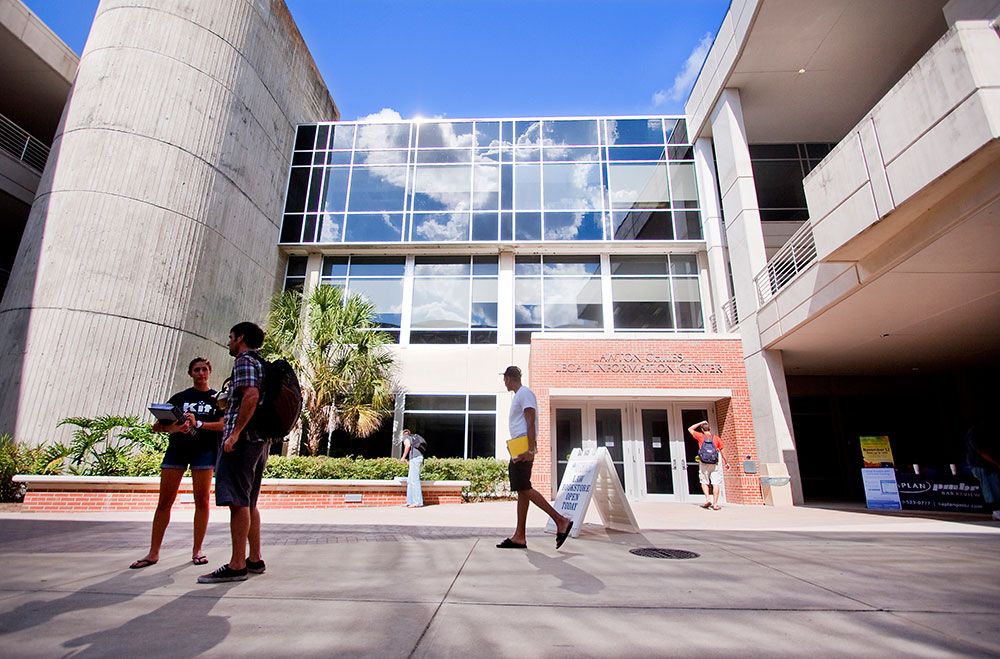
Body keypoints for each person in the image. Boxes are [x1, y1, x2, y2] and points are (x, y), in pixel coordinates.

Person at [129, 358, 224, 569]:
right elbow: (157, 427)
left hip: (204, 453)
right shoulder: (180, 398)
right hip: (177, 452)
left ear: (209, 372)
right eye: (196, 370)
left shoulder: (216, 398)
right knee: (164, 501)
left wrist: (198, 423)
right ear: (190, 373)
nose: (201, 373)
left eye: (204, 369)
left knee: (202, 500)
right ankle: (153, 552)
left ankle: (197, 550)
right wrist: (174, 427)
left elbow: (223, 425)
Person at [198, 322, 270, 583]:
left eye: (230, 337)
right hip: (260, 441)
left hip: (244, 442)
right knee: (249, 501)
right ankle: (254, 559)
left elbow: (251, 395)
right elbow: (250, 396)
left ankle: (237, 564)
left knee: (238, 503)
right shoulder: (261, 363)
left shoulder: (243, 361)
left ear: (240, 337)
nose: (228, 342)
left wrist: (235, 433)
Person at [496, 366, 573, 550]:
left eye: (504, 379)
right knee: (522, 491)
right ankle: (519, 536)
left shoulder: (524, 393)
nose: (504, 383)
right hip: (519, 446)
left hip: (524, 447)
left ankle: (560, 520)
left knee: (524, 487)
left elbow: (530, 421)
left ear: (508, 378)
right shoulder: (520, 395)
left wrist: (530, 449)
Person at [688, 420, 728, 510]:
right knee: (715, 483)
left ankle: (707, 499)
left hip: (704, 463)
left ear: (702, 429)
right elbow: (722, 451)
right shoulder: (716, 438)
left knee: (704, 481)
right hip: (714, 463)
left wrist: (700, 422)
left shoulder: (701, 436)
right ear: (709, 429)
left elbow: (690, 429)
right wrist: (726, 462)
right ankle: (715, 504)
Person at [966, 423, 1000, 521]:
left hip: (992, 464)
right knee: (991, 487)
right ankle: (997, 512)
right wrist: (997, 463)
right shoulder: (975, 432)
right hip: (981, 465)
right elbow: (981, 451)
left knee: (996, 486)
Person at [399, 428, 426, 508]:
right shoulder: (412, 437)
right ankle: (410, 502)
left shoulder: (405, 437)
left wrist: (403, 457)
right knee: (410, 481)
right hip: (417, 458)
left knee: (414, 480)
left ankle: (418, 502)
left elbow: (407, 445)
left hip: (415, 458)